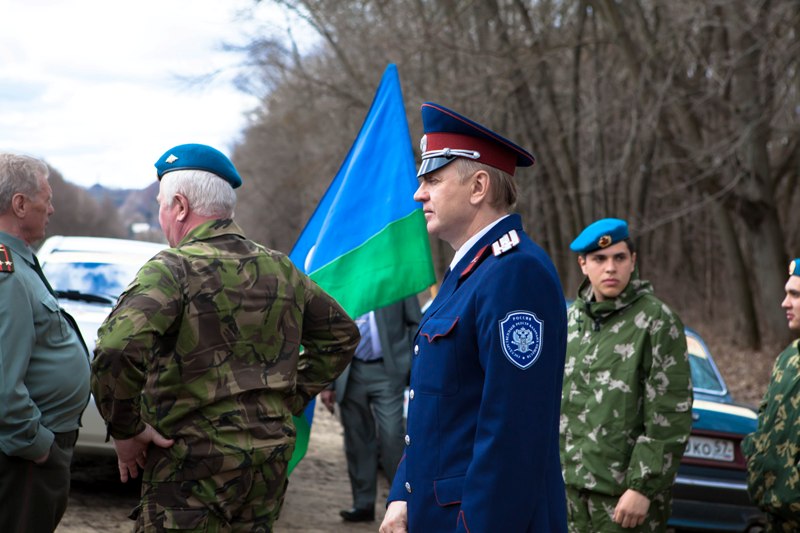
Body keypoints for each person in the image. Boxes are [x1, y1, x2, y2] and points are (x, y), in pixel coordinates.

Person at [90, 143, 360, 532]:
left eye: (161, 205)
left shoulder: (173, 269)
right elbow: (341, 336)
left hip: (191, 462)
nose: (162, 216)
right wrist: (282, 399)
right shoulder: (281, 268)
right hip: (265, 465)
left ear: (180, 206)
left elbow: (116, 349)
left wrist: (127, 429)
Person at [380, 103, 568, 533]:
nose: (418, 194)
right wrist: (403, 495)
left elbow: (512, 435)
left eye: (432, 180)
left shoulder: (515, 273)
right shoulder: (468, 274)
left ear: (479, 186)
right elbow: (439, 410)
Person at [560, 218, 693, 532]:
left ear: (633, 262)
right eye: (599, 259)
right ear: (583, 264)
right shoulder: (569, 322)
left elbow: (670, 413)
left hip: (622, 501)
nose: (610, 268)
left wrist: (642, 487)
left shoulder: (656, 321)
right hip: (567, 494)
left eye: (619, 258)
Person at [0, 153, 91, 532]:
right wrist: (38, 446)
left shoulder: (20, 263)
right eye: (46, 198)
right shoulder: (5, 272)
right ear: (20, 204)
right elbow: (3, 382)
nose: (51, 209)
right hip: (22, 461)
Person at [319, 297, 421, 523]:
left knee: (392, 434)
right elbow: (327, 331)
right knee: (357, 439)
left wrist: (408, 364)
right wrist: (328, 384)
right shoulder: (343, 275)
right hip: (350, 371)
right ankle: (363, 504)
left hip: (387, 370)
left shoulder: (396, 278)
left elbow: (416, 323)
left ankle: (402, 503)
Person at [742, 258, 800, 532]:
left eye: (795, 294)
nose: (784, 303)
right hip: (776, 517)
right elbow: (766, 420)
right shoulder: (788, 359)